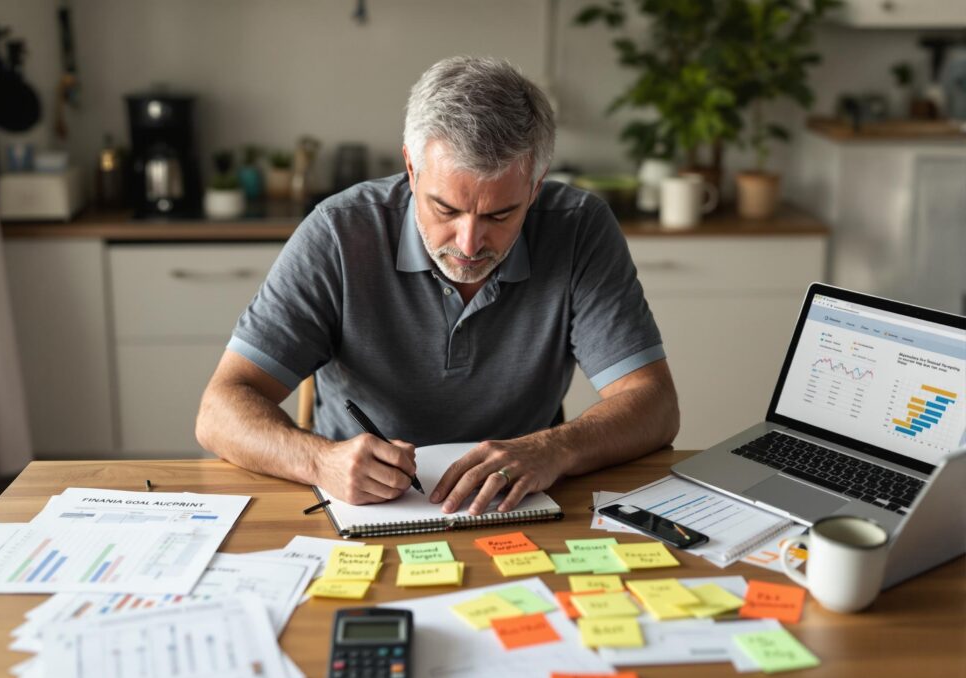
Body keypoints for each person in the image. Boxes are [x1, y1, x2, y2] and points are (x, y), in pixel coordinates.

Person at [196, 56, 679, 517]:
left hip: (524, 505)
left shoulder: (578, 227)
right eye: (446, 210)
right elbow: (219, 411)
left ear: (535, 187)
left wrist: (553, 447)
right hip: (364, 508)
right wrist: (320, 460)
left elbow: (654, 405)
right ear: (411, 168)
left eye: (499, 214)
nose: (469, 243)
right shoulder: (340, 232)